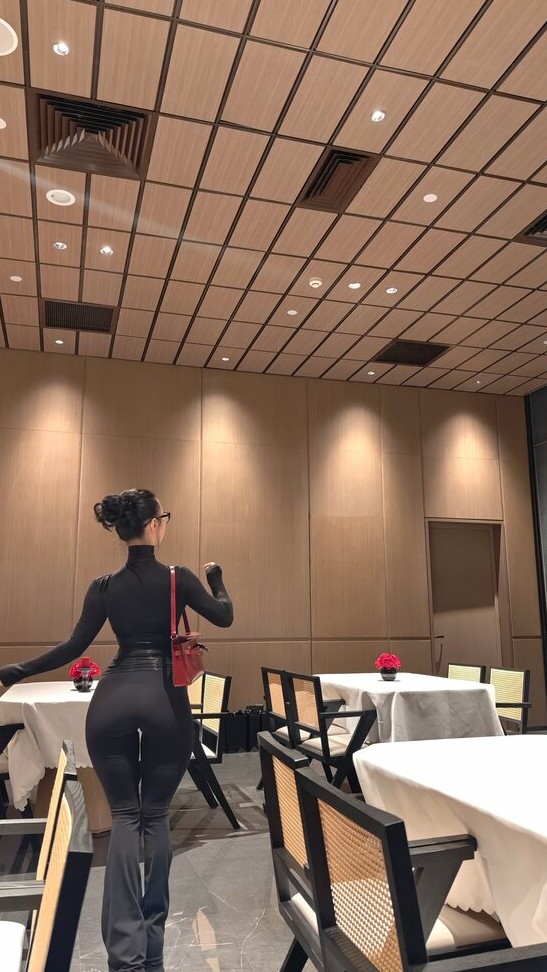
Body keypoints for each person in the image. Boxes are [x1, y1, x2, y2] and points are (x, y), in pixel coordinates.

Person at [0, 488, 233, 972]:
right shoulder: (179, 578)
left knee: (125, 817)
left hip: (112, 700)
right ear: (154, 525)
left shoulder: (103, 586)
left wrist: (16, 671)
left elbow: (72, 647)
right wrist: (217, 579)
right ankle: (152, 947)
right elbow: (225, 615)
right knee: (155, 815)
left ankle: (124, 955)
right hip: (164, 700)